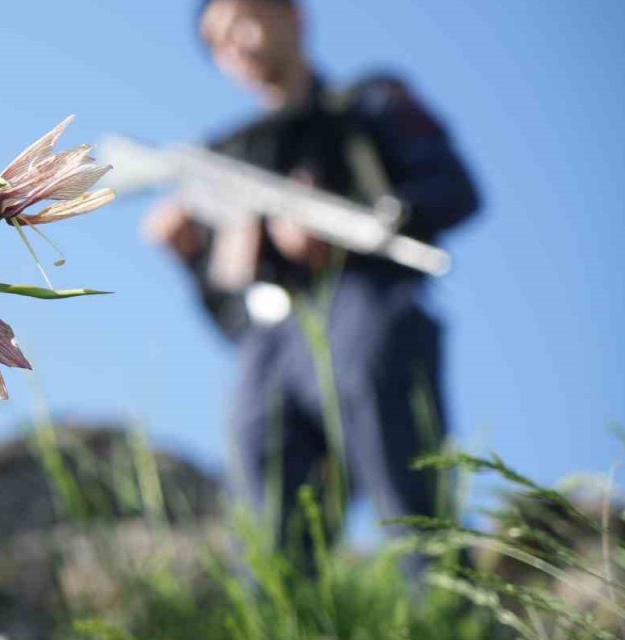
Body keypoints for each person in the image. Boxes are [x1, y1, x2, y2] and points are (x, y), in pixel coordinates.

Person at [142, 0, 480, 567]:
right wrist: (194, 261)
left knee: (409, 495)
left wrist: (349, 225)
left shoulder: (371, 103)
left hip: (367, 306)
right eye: (219, 42)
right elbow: (230, 314)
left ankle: (451, 614)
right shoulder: (226, 154)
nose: (237, 46)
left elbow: (454, 191)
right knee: (265, 514)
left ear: (292, 17)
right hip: (272, 338)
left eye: (245, 20)